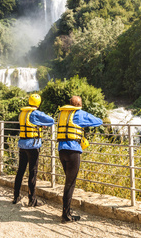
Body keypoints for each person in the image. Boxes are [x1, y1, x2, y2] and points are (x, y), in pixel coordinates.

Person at [57, 95, 103, 223]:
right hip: (73, 151)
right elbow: (98, 121)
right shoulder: (79, 114)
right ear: (79, 105)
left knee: (69, 181)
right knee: (70, 183)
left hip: (62, 151)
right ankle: (66, 214)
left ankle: (67, 211)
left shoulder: (61, 114)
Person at [13, 93, 54, 206]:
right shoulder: (36, 113)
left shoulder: (22, 113)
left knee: (20, 171)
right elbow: (51, 121)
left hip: (22, 144)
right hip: (33, 146)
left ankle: (16, 197)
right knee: (33, 172)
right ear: (38, 103)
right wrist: (41, 124)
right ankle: (32, 200)